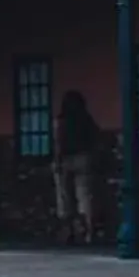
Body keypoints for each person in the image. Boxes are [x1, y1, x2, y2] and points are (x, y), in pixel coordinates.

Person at [55, 91, 101, 245]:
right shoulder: (86, 120)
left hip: (66, 158)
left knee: (65, 197)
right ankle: (87, 230)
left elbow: (58, 142)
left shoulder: (62, 121)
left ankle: (68, 230)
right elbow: (95, 137)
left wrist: (57, 161)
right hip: (84, 157)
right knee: (84, 196)